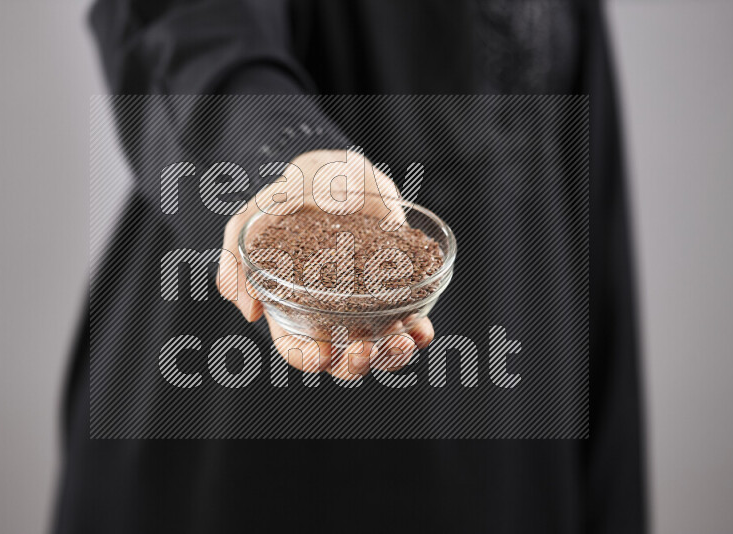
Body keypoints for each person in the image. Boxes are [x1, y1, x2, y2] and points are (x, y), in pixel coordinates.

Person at [55, 1, 646, 532]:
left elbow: (589, 225)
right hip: (224, 449)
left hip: (505, 466)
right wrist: (279, 156)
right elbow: (192, 27)